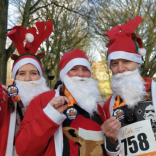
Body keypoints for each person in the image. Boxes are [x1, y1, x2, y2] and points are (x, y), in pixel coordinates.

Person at [15, 48, 121, 156]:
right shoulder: (44, 100)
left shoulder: (98, 109)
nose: (80, 74)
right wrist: (49, 115)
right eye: (74, 69)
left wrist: (112, 142)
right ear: (65, 74)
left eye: (85, 70)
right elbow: (24, 150)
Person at [102, 16, 156, 156]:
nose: (120, 69)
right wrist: (111, 141)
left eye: (126, 61)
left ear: (138, 63)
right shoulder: (108, 105)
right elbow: (111, 152)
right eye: (114, 64)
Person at [0, 20, 53, 156]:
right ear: (15, 77)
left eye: (33, 73)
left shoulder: (52, 103)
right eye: (22, 74)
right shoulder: (5, 100)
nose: (28, 79)